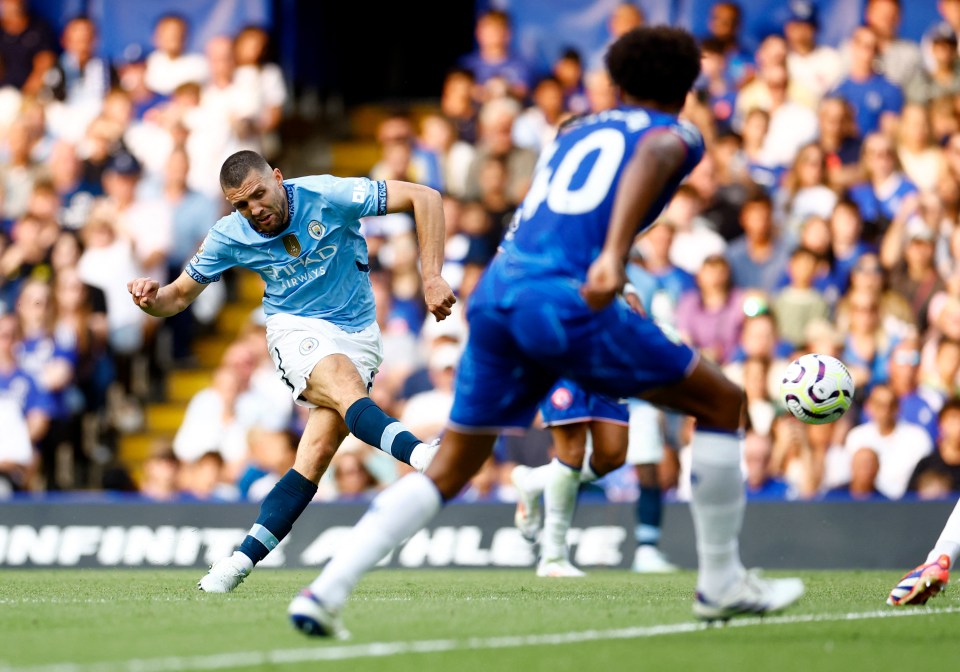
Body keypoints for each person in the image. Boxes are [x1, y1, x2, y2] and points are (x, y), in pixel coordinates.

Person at [288, 27, 804, 639]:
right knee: (723, 402)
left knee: (453, 464)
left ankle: (326, 590)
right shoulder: (676, 134)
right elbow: (655, 155)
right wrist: (614, 254)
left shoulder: (575, 130)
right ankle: (721, 583)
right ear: (687, 90)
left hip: (501, 291)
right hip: (561, 299)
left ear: (615, 84)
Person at [127, 149, 456, 592]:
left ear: (278, 178)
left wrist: (431, 275)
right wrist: (152, 300)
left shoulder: (329, 194)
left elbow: (425, 196)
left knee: (314, 458)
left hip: (359, 334)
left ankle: (236, 565)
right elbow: (177, 297)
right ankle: (425, 457)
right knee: (342, 385)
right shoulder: (229, 234)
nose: (254, 210)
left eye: (259, 195)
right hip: (293, 329)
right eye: (241, 205)